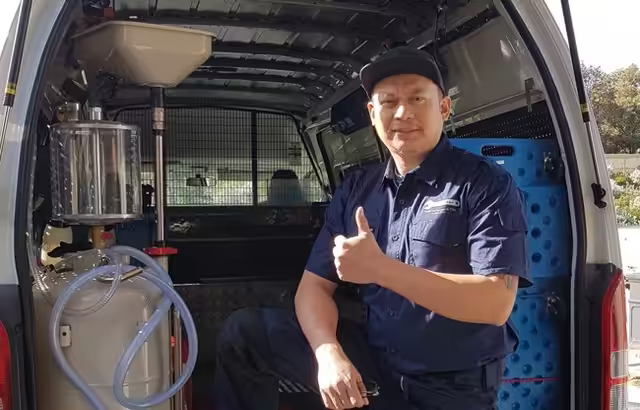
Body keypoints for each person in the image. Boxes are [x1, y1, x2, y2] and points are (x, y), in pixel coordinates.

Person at [212, 46, 530, 410]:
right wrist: (329, 356)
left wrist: (381, 270)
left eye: (417, 98)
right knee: (244, 334)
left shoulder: (485, 183)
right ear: (372, 113)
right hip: (375, 364)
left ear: (444, 107)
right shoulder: (357, 189)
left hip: (453, 384)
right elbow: (313, 287)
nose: (403, 112)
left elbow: (495, 303)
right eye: (389, 101)